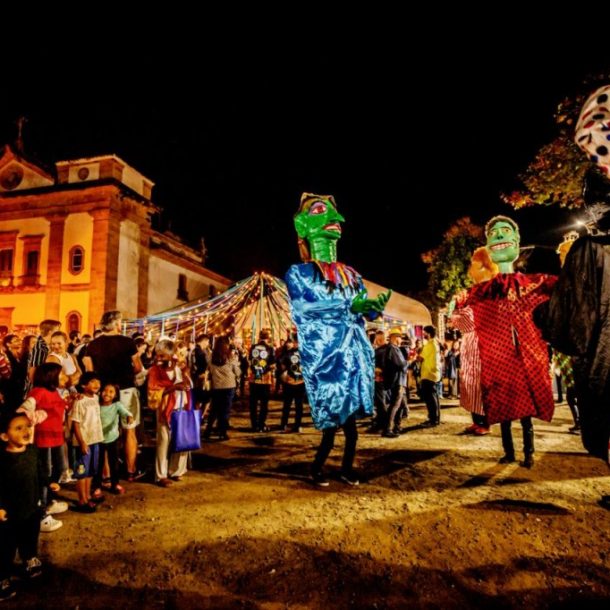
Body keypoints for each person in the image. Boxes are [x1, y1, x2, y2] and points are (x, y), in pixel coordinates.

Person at [285, 193, 390, 487]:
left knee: (353, 430)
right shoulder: (299, 273)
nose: (337, 219)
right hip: (326, 360)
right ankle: (317, 470)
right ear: (303, 225)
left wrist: (371, 309)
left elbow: (361, 313)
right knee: (331, 427)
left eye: (335, 213)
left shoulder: (351, 274)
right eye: (322, 212)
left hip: (353, 360)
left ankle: (345, 470)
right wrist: (348, 307)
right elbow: (303, 309)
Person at [456, 216, 556, 467]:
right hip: (500, 364)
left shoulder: (537, 283)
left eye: (505, 231)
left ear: (517, 240)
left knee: (526, 417)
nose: (500, 237)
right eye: (494, 234)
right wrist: (458, 304)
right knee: (505, 415)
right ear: (488, 246)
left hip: (528, 362)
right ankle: (510, 453)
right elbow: (460, 320)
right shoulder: (481, 292)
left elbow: (565, 291)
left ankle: (529, 454)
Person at [83, 310, 143, 482]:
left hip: (103, 393)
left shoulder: (92, 345)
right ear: (117, 324)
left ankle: (106, 474)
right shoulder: (128, 342)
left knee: (105, 433)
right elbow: (138, 367)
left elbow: (89, 372)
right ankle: (130, 471)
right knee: (129, 431)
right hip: (125, 389)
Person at [449, 247, 499, 435]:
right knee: (470, 384)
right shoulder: (472, 293)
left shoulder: (490, 293)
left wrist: (459, 310)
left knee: (479, 385)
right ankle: (476, 420)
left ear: (485, 266)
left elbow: (468, 321)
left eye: (474, 263)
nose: (471, 267)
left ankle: (485, 423)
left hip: (481, 344)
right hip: (470, 344)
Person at [0, 412, 49, 601]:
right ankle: (2, 577)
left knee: (30, 536)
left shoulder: (31, 450)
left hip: (31, 507)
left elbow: (39, 471)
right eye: (18, 428)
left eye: (27, 426)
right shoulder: (3, 459)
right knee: (6, 546)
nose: (26, 431)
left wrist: (47, 483)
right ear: (4, 436)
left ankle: (29, 559)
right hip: (9, 514)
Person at [147, 340, 191, 487]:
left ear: (172, 355)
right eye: (157, 355)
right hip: (164, 408)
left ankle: (177, 470)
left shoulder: (179, 367)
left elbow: (187, 384)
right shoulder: (154, 371)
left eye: (162, 356)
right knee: (163, 441)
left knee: (181, 439)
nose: (158, 359)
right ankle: (161, 475)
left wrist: (185, 379)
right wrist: (173, 388)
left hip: (181, 406)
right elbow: (152, 393)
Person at [70, 372, 104, 513]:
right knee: (81, 472)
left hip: (95, 440)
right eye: (92, 382)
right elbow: (76, 424)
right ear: (84, 385)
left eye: (98, 381)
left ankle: (88, 496)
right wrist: (82, 442)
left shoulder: (96, 398)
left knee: (91, 471)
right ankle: (81, 500)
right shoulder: (80, 401)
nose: (96, 384)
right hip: (83, 442)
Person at [92, 383, 133, 495]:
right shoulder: (96, 404)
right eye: (105, 390)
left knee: (114, 463)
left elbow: (126, 412)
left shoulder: (117, 405)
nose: (107, 393)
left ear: (115, 395)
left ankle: (115, 484)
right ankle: (97, 486)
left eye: (111, 392)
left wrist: (129, 417)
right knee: (98, 464)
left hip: (113, 438)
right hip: (98, 438)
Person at [204, 337, 240, 440]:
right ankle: (222, 432)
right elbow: (238, 372)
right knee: (225, 410)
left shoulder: (211, 358)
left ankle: (208, 430)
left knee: (214, 409)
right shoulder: (229, 358)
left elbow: (209, 371)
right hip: (228, 386)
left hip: (216, 386)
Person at [381, 328, 409, 437]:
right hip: (397, 381)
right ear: (394, 337)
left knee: (400, 405)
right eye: (399, 337)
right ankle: (387, 429)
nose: (401, 340)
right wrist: (408, 362)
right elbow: (401, 365)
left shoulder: (393, 349)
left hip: (399, 380)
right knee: (394, 405)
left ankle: (397, 426)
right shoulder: (393, 349)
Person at [248, 330, 276, 432]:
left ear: (259, 337)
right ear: (268, 337)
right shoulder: (270, 348)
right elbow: (272, 365)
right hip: (265, 379)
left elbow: (250, 361)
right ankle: (261, 424)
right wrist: (265, 368)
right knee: (264, 404)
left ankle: (254, 425)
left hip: (254, 379)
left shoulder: (253, 347)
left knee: (253, 403)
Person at [279, 335, 306, 433]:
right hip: (301, 382)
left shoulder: (287, 353)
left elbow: (281, 364)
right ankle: (297, 425)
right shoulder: (305, 353)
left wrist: (285, 372)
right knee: (299, 406)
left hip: (289, 382)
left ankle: (283, 424)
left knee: (287, 404)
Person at [418, 325, 441, 426]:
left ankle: (433, 420)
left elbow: (420, 358)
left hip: (428, 374)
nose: (423, 334)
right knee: (434, 397)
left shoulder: (430, 345)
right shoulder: (435, 344)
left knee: (430, 399)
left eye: (424, 332)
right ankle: (436, 418)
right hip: (433, 373)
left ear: (429, 333)